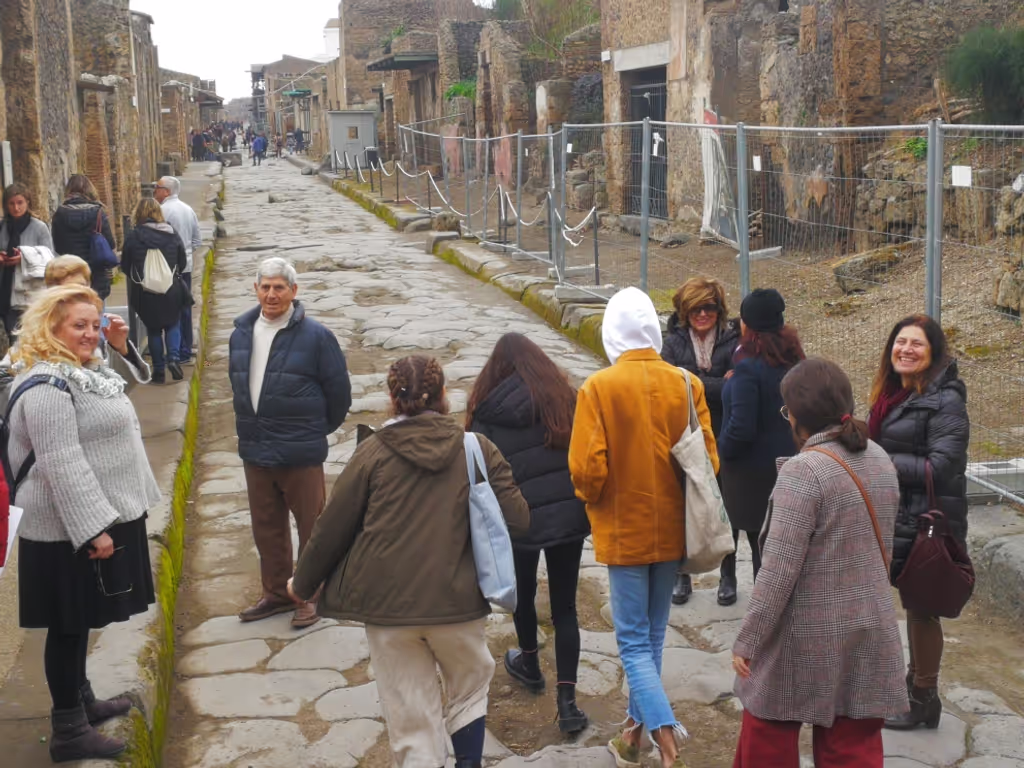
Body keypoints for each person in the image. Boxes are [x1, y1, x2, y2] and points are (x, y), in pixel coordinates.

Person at [289, 355, 530, 768]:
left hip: (389, 612)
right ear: (443, 396)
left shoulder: (372, 454)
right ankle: (468, 762)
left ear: (391, 398)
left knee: (410, 716)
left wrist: (302, 583)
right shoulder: (476, 449)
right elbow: (520, 521)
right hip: (459, 605)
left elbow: (331, 527)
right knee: (469, 689)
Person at [731, 358, 908, 768]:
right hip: (871, 625)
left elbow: (777, 572)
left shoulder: (803, 471)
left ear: (795, 416)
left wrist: (749, 639)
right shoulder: (880, 457)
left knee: (766, 731)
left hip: (805, 634)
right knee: (854, 748)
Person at [9, 284, 159, 762]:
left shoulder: (84, 371)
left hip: (89, 518)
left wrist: (118, 347)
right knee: (69, 626)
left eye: (95, 324)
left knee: (81, 620)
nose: (90, 333)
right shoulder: (47, 384)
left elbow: (127, 393)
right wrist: (94, 528)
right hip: (64, 530)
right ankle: (68, 729)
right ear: (51, 326)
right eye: (80, 325)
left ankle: (84, 701)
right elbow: (61, 462)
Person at [569, 287, 718, 768]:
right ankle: (633, 740)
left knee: (632, 641)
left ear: (612, 331)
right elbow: (708, 460)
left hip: (624, 529)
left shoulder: (599, 388)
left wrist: (595, 500)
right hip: (674, 529)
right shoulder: (685, 383)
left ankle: (666, 738)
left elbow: (587, 471)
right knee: (652, 636)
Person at [465, 333, 591, 733]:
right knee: (565, 607)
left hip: (517, 517)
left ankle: (531, 662)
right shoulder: (565, 398)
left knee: (522, 591)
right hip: (568, 512)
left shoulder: (486, 411)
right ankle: (568, 703)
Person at [229, 257, 351, 628]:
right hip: (256, 448)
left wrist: (314, 430)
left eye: (279, 287)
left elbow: (339, 394)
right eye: (265, 287)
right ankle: (276, 593)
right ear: (256, 290)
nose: (271, 294)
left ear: (294, 292)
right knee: (266, 527)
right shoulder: (242, 332)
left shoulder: (316, 336)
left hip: (300, 450)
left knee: (311, 527)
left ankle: (310, 594)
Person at [869, 315, 969, 731]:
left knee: (923, 608)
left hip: (931, 519)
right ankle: (913, 687)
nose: (906, 350)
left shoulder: (946, 400)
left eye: (917, 345)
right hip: (902, 514)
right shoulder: (897, 393)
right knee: (914, 605)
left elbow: (942, 465)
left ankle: (924, 698)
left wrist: (878, 461)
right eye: (900, 342)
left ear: (934, 353)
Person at [661, 277, 740, 607]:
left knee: (726, 507)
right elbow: (669, 385)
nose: (703, 314)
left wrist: (690, 379)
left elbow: (736, 388)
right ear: (684, 311)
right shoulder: (673, 340)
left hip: (724, 432)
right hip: (683, 434)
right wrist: (715, 383)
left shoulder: (734, 339)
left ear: (719, 310)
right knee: (682, 503)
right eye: (696, 308)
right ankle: (682, 574)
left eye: (709, 307)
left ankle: (729, 574)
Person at [717, 288, 804, 589]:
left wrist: (721, 450)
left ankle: (767, 620)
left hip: (751, 476)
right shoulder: (794, 360)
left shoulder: (747, 371)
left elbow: (741, 429)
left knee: (760, 549)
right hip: (790, 463)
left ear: (747, 325)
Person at [119, 199, 191, 385]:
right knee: (173, 325)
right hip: (171, 289)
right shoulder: (171, 233)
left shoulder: (134, 236)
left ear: (139, 213)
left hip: (145, 291)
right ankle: (174, 359)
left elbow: (125, 265)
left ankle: (158, 371)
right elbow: (182, 262)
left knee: (153, 330)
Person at [154, 176, 202, 364]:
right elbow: (197, 240)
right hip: (186, 267)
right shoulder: (188, 209)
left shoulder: (161, 211)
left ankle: (174, 352)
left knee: (168, 311)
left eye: (157, 187)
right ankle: (186, 348)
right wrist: (187, 255)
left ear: (166, 191)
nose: (155, 191)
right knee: (185, 307)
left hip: (167, 270)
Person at [0, 184, 55, 342]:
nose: (16, 208)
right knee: (14, 339)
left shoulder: (39, 227)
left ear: (27, 202)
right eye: (12, 203)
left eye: (20, 202)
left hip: (31, 291)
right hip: (6, 290)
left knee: (34, 338)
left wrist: (24, 258)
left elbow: (49, 257)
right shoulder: (2, 227)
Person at [51, 175, 116, 301]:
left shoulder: (59, 214)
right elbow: (110, 243)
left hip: (70, 273)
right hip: (96, 273)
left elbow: (57, 246)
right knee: (96, 313)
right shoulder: (98, 212)